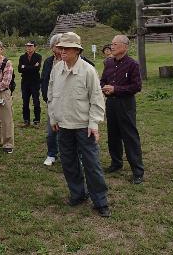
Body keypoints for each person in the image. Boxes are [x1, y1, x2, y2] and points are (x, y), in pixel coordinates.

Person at [48, 32, 111, 217]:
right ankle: (78, 194)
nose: (62, 51)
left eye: (66, 48)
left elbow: (97, 99)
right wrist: (53, 118)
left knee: (92, 164)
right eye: (61, 48)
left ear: (77, 50)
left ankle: (100, 201)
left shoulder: (88, 70)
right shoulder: (56, 69)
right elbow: (52, 96)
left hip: (84, 126)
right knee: (68, 162)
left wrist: (94, 124)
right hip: (63, 126)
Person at [100, 35, 144, 184]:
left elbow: (136, 86)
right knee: (113, 134)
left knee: (130, 136)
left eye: (115, 44)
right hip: (111, 103)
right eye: (111, 44)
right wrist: (104, 88)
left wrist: (116, 89)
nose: (112, 46)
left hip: (125, 104)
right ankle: (116, 163)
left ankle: (137, 171)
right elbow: (103, 80)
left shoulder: (132, 64)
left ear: (125, 47)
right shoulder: (109, 63)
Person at [41, 33, 62, 166]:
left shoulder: (74, 59)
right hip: (52, 101)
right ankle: (51, 154)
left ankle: (77, 156)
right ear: (52, 47)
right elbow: (44, 79)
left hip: (68, 101)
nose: (60, 49)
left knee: (70, 131)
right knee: (51, 131)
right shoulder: (49, 61)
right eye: (57, 46)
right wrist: (45, 96)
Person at [18, 41, 42, 126]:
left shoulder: (38, 56)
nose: (29, 48)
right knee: (25, 102)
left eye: (31, 46)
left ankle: (37, 120)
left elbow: (37, 69)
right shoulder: (22, 57)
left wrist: (25, 67)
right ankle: (26, 120)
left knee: (36, 101)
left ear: (35, 47)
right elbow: (19, 69)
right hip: (25, 83)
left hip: (35, 82)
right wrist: (31, 67)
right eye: (27, 46)